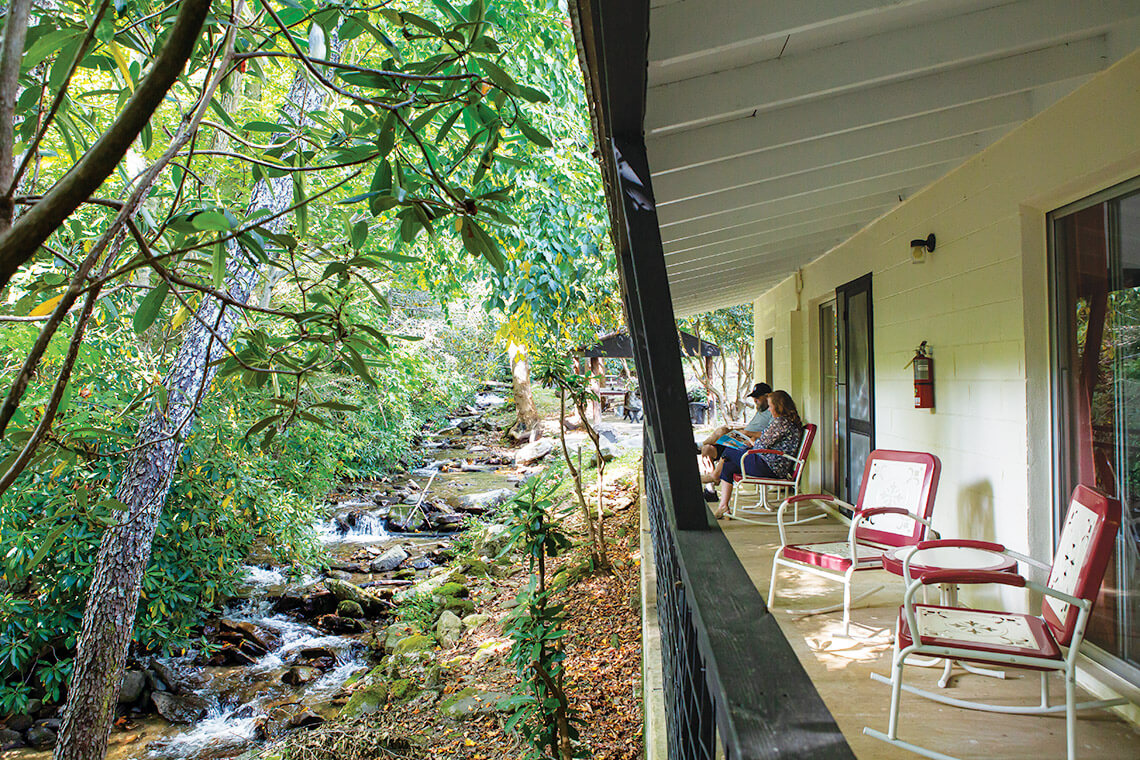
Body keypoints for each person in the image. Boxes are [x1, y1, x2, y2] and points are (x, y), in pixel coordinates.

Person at [713, 390, 803, 519]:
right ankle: (724, 506)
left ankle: (715, 476)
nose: (770, 410)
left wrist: (752, 442)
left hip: (771, 467)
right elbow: (765, 442)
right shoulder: (785, 421)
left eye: (771, 406)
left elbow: (762, 445)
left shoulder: (781, 422)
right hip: (771, 463)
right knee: (728, 463)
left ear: (779, 406)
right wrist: (753, 442)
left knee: (729, 452)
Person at [699, 383, 772, 478]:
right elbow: (751, 427)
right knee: (707, 449)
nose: (755, 400)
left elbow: (768, 434)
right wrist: (740, 430)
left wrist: (748, 433)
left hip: (747, 443)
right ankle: (711, 488)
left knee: (722, 430)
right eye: (753, 397)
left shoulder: (772, 412)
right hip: (741, 439)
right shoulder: (761, 410)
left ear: (767, 396)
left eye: (757, 397)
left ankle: (697, 447)